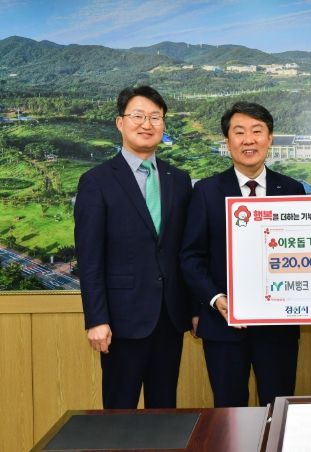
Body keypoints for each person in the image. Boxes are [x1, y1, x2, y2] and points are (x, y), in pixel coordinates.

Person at [180, 102, 305, 407]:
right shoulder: (206, 191)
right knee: (229, 412)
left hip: (278, 329)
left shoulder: (292, 190)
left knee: (279, 409)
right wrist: (214, 299)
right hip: (223, 325)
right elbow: (191, 257)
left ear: (270, 138)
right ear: (228, 141)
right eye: (239, 132)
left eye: (257, 131)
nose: (248, 140)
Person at [74, 85, 192, 408]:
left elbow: (185, 251)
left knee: (164, 411)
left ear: (163, 124)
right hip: (120, 322)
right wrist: (96, 319)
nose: (147, 124)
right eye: (138, 116)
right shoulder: (96, 181)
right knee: (120, 414)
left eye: (155, 117)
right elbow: (90, 258)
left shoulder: (179, 179)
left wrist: (194, 310)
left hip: (169, 319)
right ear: (120, 123)